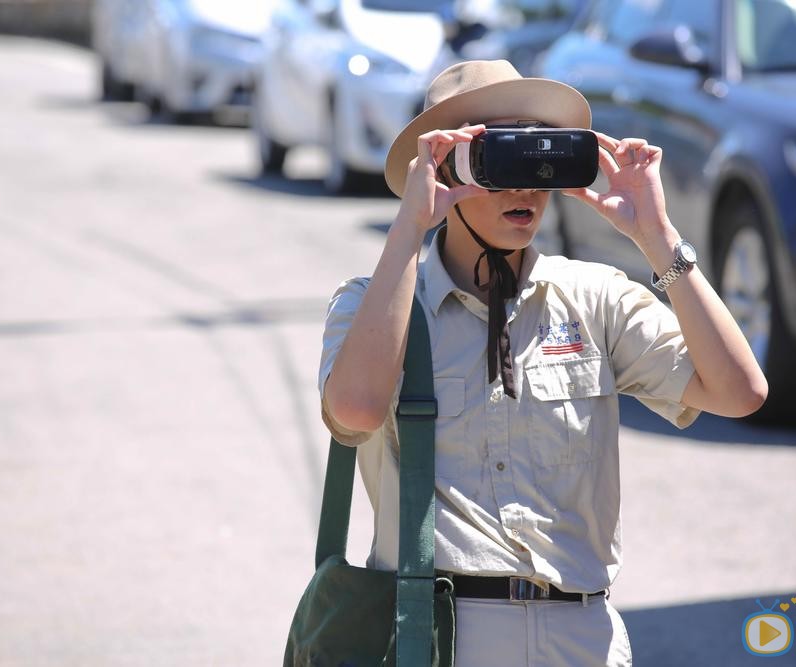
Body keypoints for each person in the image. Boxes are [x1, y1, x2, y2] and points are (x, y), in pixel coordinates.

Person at [317, 60, 767, 666]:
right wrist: (409, 225)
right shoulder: (371, 304)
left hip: (581, 635)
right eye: (499, 159)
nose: (525, 186)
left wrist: (658, 237)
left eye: (538, 156)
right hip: (439, 636)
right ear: (448, 166)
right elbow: (355, 411)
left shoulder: (595, 297)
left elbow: (740, 392)